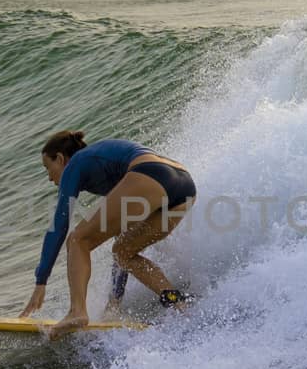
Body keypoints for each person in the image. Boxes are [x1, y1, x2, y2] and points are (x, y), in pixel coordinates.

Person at [20, 129, 196, 336]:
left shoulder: (75, 163)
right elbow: (120, 236)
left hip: (151, 173)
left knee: (77, 240)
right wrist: (114, 304)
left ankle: (77, 312)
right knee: (123, 252)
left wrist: (41, 280)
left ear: (60, 158)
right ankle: (177, 303)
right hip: (184, 186)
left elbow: (60, 224)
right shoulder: (108, 168)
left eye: (47, 168)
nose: (49, 178)